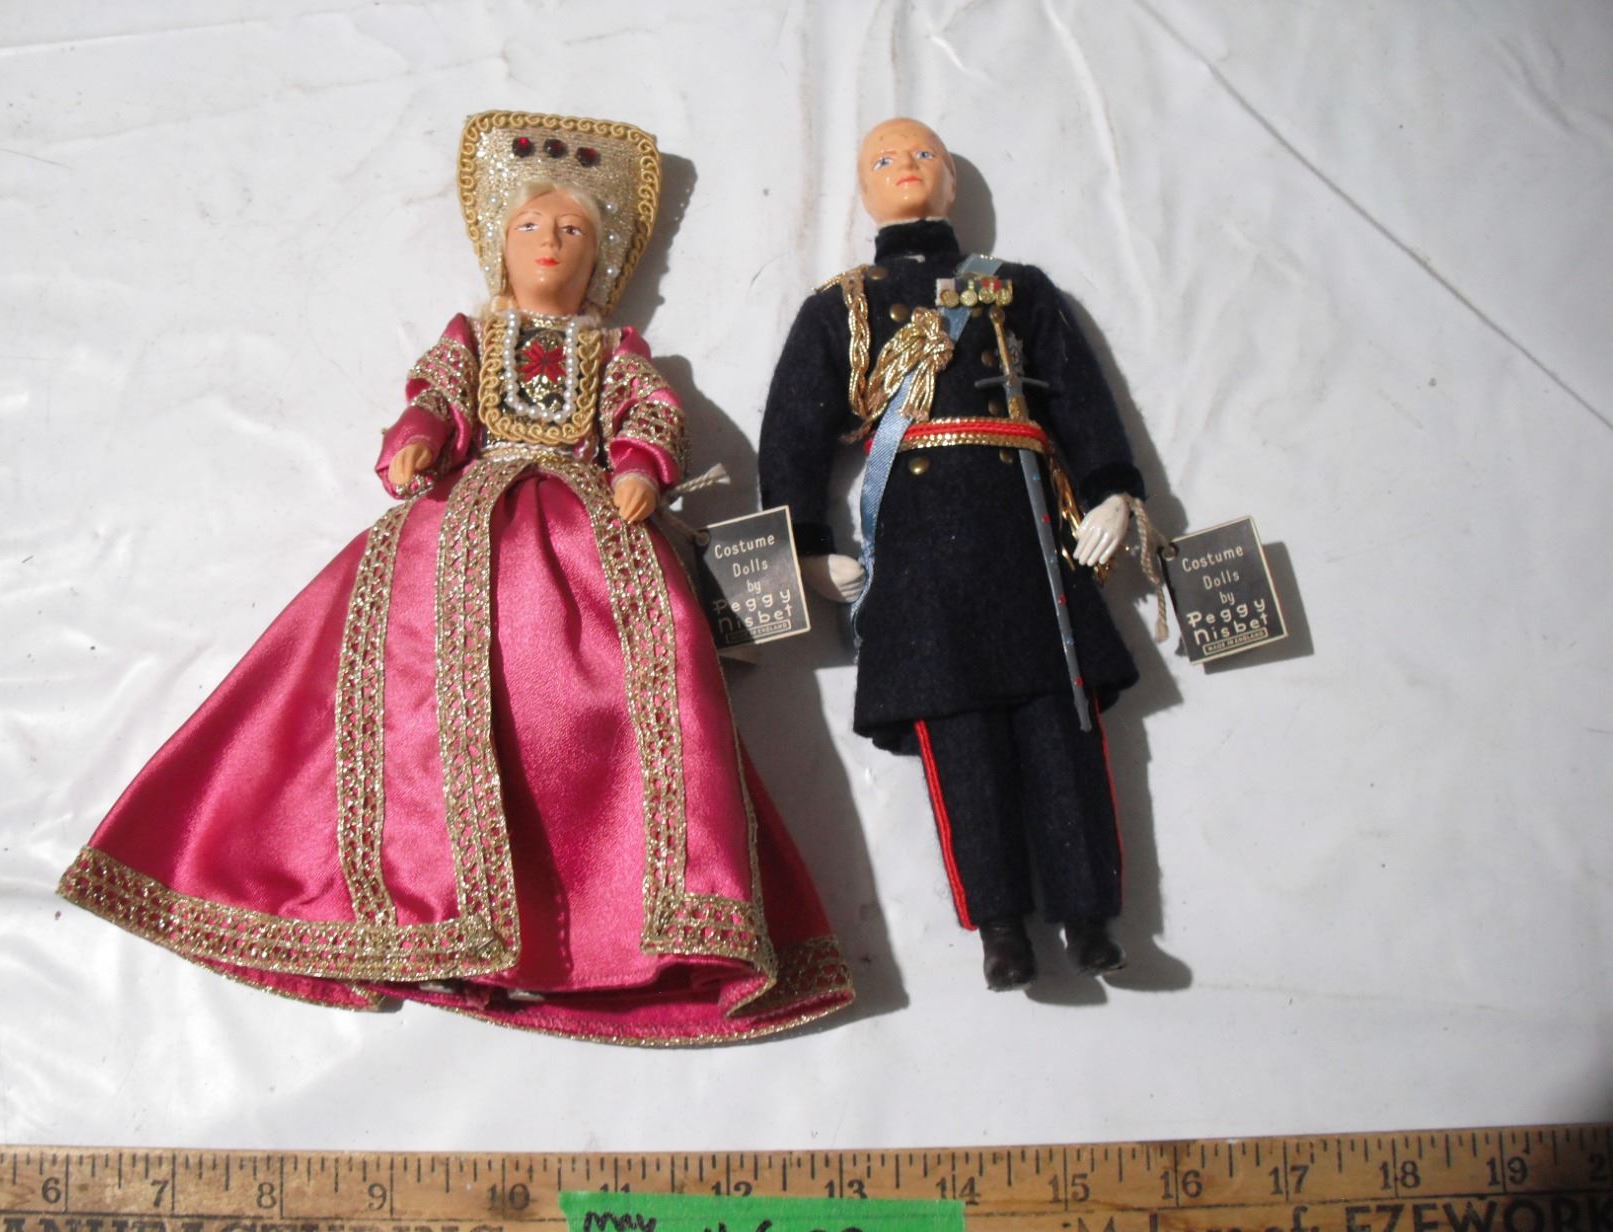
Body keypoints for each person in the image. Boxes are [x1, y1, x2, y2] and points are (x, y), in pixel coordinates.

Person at [59, 111, 853, 1044]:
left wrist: (641, 465)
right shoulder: (472, 338)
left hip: (589, 537)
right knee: (391, 697)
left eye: (572, 231)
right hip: (459, 526)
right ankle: (402, 902)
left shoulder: (615, 352)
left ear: (600, 258)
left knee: (605, 708)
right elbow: (433, 395)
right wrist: (417, 440)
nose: (550, 244)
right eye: (532, 227)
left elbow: (648, 409)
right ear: (499, 246)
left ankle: (610, 924)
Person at [758, 118, 1144, 991]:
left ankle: (1089, 914)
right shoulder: (841, 307)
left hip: (1028, 531)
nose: (905, 166)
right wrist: (806, 549)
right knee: (959, 740)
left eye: (922, 153)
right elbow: (791, 436)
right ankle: (999, 927)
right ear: (863, 188)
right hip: (921, 549)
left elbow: (1080, 397)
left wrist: (1115, 490)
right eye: (883, 158)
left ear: (952, 180)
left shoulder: (1018, 288)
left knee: (1063, 725)